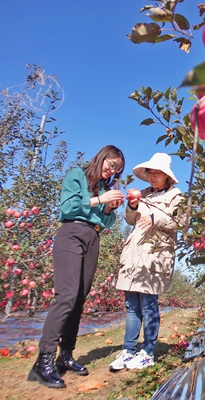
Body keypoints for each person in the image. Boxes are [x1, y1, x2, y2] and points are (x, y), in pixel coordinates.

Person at [28, 145, 125, 389]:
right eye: (111, 165)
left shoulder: (104, 189)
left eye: (117, 170)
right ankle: (44, 360)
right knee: (66, 296)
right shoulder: (77, 175)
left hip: (92, 237)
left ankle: (66, 355)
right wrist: (100, 199)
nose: (112, 171)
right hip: (71, 233)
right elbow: (68, 208)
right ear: (102, 157)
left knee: (79, 298)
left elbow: (105, 223)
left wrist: (107, 207)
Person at [109, 153, 183, 371]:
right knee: (131, 306)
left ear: (166, 175)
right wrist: (132, 205)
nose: (152, 176)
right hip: (134, 252)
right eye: (150, 172)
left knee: (149, 306)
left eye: (157, 172)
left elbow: (180, 222)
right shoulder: (142, 194)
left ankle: (147, 352)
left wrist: (153, 216)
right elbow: (130, 220)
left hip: (155, 254)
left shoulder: (176, 197)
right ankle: (128, 350)